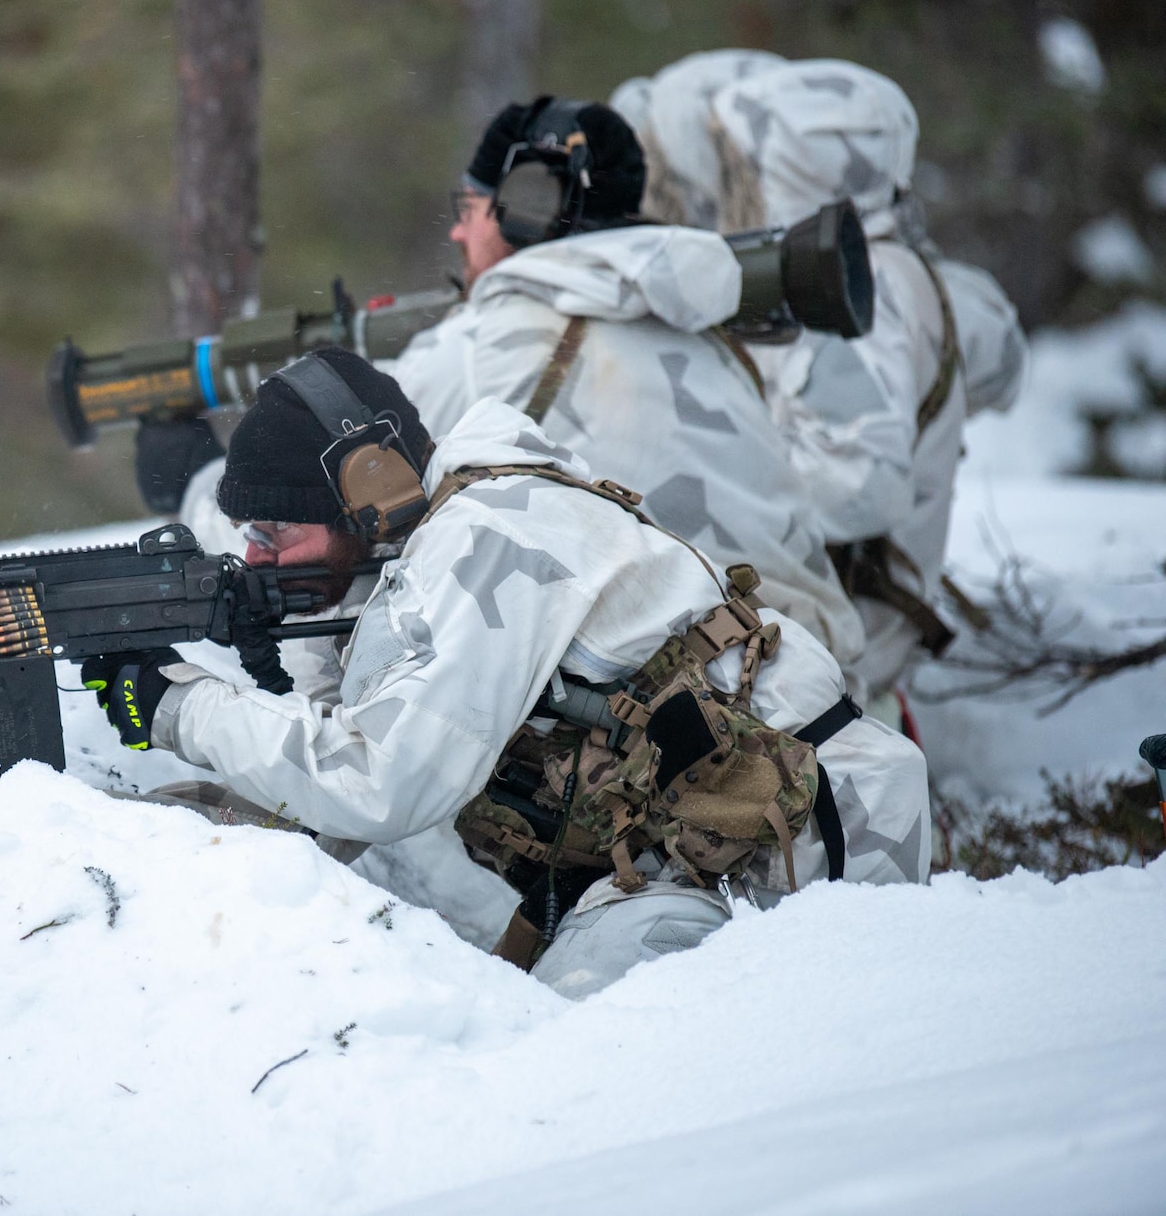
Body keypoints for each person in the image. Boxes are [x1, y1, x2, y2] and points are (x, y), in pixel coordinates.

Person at [89, 347, 929, 997]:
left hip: (817, 832)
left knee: (607, 1045)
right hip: (706, 842)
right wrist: (129, 830)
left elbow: (379, 784)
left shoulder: (489, 537)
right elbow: (329, 792)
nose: (257, 553)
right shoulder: (428, 543)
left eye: (274, 529)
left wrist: (181, 709)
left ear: (366, 486)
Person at [384, 96, 867, 672]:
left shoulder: (477, 346)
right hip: (819, 684)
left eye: (469, 208)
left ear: (527, 209)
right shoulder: (713, 337)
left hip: (696, 721)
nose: (459, 234)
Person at [614, 54, 1028, 707]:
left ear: (795, 170)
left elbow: (858, 486)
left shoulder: (860, 299)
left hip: (824, 657)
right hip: (811, 631)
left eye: (745, 162)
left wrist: (696, 497)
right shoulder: (879, 270)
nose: (731, 183)